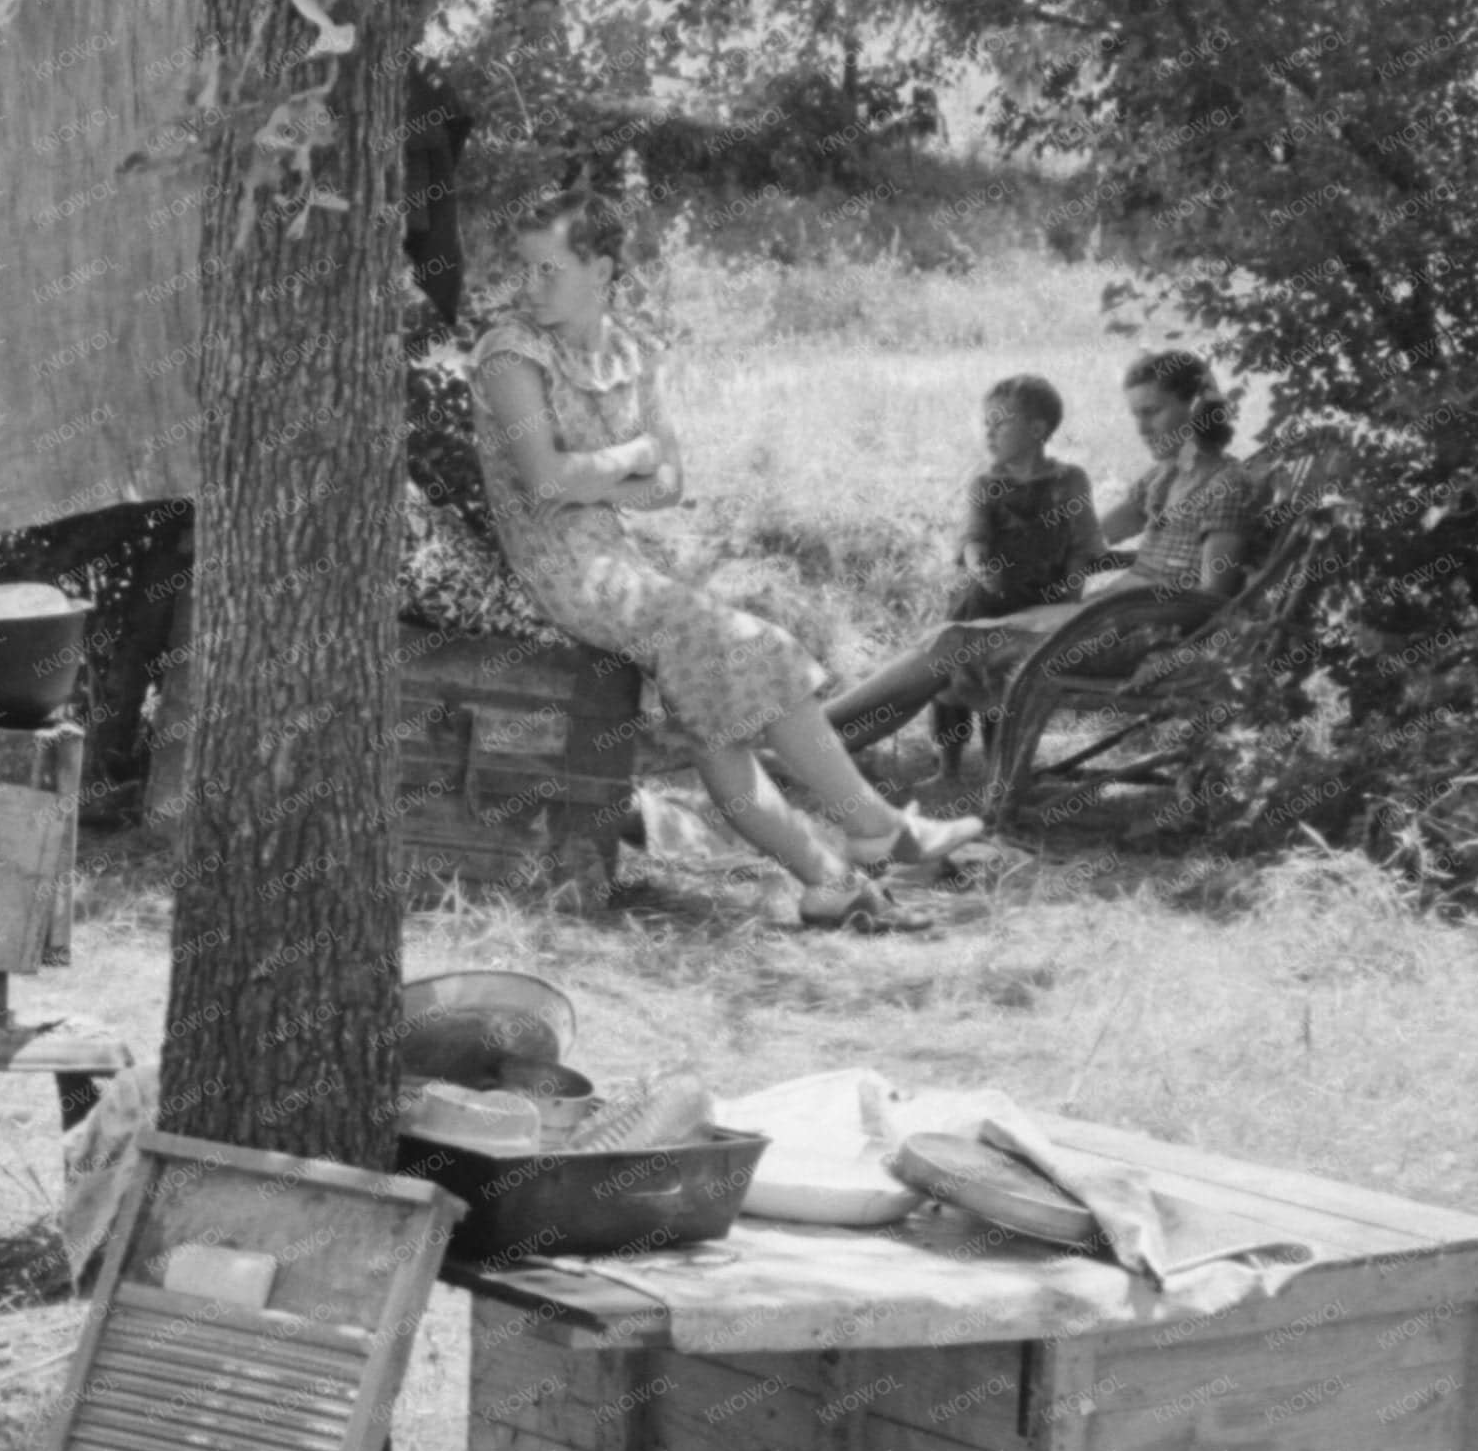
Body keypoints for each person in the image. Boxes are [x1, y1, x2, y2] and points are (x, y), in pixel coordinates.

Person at [471, 188, 989, 928]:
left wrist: (607, 474)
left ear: (601, 269)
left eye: (549, 269)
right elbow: (547, 481)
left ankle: (829, 883)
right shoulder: (510, 353)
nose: (531, 285)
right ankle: (875, 826)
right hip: (559, 568)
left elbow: (670, 486)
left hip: (618, 559)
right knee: (759, 646)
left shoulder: (630, 353)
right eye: (525, 268)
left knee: (714, 724)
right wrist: (633, 455)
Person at [824, 349, 1262, 757]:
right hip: (1106, 617)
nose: (1141, 428)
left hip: (1137, 635)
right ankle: (820, 753)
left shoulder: (1225, 484)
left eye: (1152, 412)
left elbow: (1211, 600)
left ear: (1195, 408)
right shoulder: (1168, 474)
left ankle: (809, 737)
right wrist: (1014, 544)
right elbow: (1088, 536)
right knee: (946, 643)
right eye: (1136, 415)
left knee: (951, 645)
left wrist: (1115, 609)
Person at [919, 374, 1100, 782]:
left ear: (1037, 429)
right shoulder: (986, 484)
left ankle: (999, 765)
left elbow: (1083, 544)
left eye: (1000, 423)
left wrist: (1072, 596)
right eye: (985, 423)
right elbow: (973, 536)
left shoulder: (1070, 481)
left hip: (1040, 602)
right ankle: (948, 764)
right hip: (984, 596)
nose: (989, 432)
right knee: (952, 673)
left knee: (1007, 681)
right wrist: (978, 565)